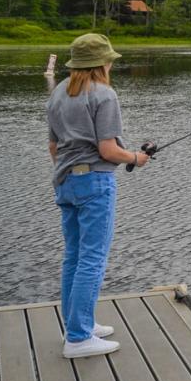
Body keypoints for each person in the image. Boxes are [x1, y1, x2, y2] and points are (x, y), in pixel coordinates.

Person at [47, 33, 149, 359]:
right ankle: (78, 338)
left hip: (65, 182)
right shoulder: (104, 95)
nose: (111, 64)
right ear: (102, 64)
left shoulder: (59, 92)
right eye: (109, 60)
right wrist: (136, 157)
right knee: (92, 259)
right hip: (94, 185)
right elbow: (108, 149)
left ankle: (80, 324)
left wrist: (71, 173)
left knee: (74, 257)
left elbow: (54, 147)